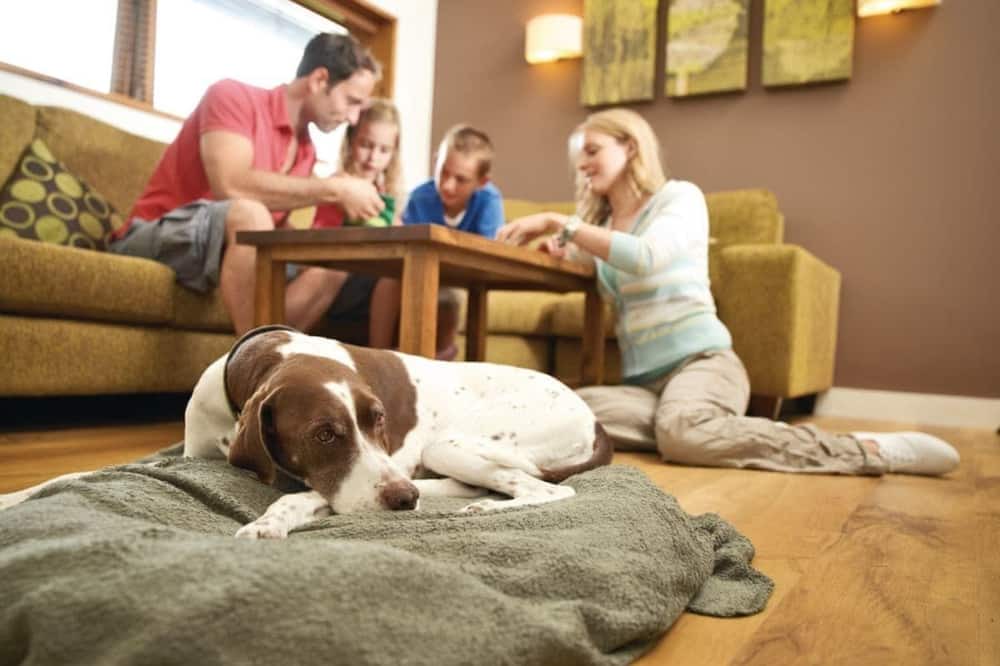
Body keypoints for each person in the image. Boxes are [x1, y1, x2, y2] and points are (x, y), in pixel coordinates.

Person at [497, 108, 959, 476]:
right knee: (561, 410)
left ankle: (867, 450)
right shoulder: (599, 229)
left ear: (630, 146)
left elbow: (645, 257)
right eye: (578, 155)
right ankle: (714, 429)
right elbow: (592, 260)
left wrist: (562, 223)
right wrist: (557, 249)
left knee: (681, 434)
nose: (581, 164)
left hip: (703, 365)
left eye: (592, 149)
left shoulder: (680, 200)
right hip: (646, 388)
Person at [109, 33, 384, 336]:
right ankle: (253, 359)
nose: (354, 117)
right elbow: (231, 185)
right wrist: (335, 189)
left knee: (333, 266)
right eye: (352, 101)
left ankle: (277, 351)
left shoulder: (306, 151)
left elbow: (274, 233)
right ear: (320, 80)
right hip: (156, 235)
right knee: (251, 215)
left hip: (228, 247)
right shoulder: (232, 97)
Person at [367, 124, 506, 359]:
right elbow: (404, 245)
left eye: (461, 179)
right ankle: (374, 355)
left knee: (447, 296)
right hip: (418, 270)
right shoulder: (421, 197)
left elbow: (489, 253)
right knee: (388, 280)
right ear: (436, 161)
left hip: (462, 275)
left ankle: (440, 355)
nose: (448, 185)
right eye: (443, 172)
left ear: (481, 182)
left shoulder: (488, 201)